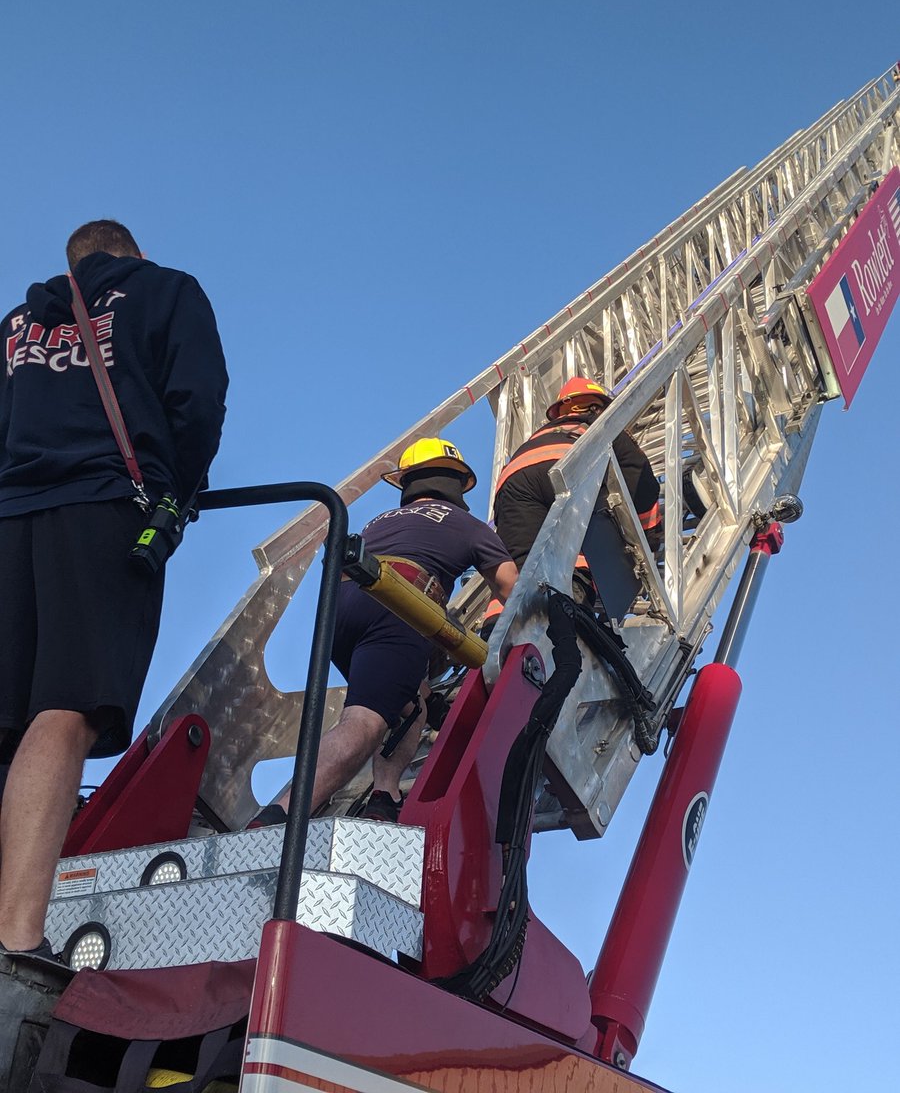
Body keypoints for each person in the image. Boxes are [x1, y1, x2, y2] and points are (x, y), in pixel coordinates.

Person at [0, 220, 228, 963]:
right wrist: (174, 497)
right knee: (66, 708)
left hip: (10, 520)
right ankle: (17, 937)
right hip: (102, 509)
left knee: (9, 723)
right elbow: (199, 400)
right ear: (134, 254)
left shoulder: (16, 324)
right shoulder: (165, 291)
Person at [252, 437, 517, 826]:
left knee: (411, 704)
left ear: (407, 483)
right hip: (398, 607)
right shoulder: (467, 524)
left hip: (339, 611)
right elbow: (513, 589)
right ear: (456, 483)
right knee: (365, 721)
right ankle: (281, 816)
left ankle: (384, 795)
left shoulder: (380, 521)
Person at [483, 377, 661, 632]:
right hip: (569, 469)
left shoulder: (538, 436)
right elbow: (639, 475)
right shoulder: (601, 425)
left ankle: (495, 629)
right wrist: (647, 537)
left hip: (513, 480)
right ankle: (566, 619)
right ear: (598, 407)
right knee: (575, 553)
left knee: (519, 569)